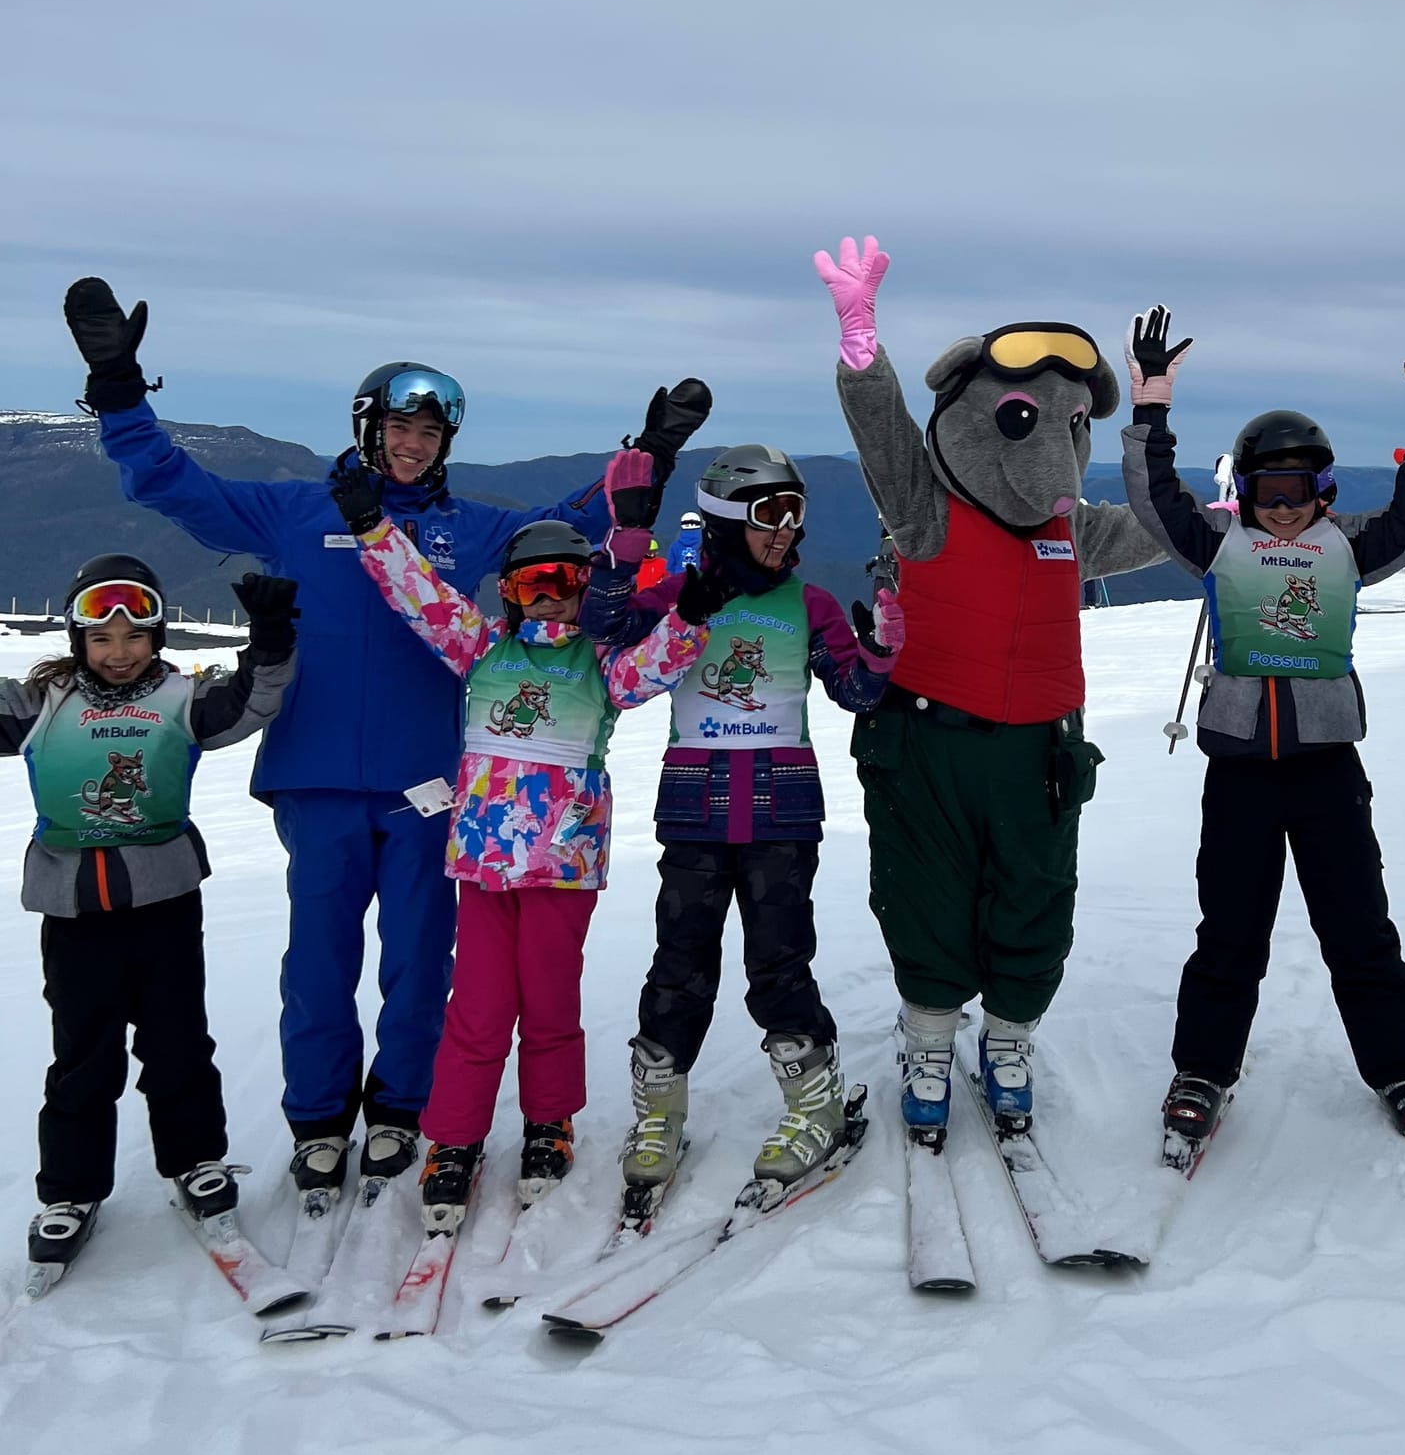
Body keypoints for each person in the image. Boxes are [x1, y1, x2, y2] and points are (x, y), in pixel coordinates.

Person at [61, 275, 709, 1204]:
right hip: (317, 777)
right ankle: (320, 1120)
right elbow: (170, 483)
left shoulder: (467, 529)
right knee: (317, 959)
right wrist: (120, 391)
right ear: (368, 429)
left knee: (419, 956)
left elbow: (569, 526)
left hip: (436, 788)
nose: (413, 446)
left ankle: (403, 1104)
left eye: (430, 433)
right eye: (399, 429)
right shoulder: (294, 511)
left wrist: (651, 452)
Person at [815, 235, 1162, 1139]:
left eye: (1069, 426)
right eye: (1024, 419)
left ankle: (1008, 1035)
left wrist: (1221, 518)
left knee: (1036, 893)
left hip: (1038, 746)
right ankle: (930, 1035)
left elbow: (1159, 532)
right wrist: (862, 341)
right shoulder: (925, 514)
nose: (1055, 454)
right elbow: (884, 437)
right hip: (927, 740)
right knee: (924, 890)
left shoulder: (1071, 529)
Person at [1120, 314, 1405, 1158]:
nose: (1282, 512)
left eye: (1299, 492)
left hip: (1326, 771)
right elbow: (1152, 497)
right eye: (1265, 494)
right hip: (1239, 771)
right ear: (1242, 493)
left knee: (1358, 925)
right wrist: (1151, 404)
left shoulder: (1349, 548)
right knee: (1230, 929)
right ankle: (1203, 1069)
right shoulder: (1217, 543)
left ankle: (1400, 1069)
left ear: (1325, 492)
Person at [333, 486, 715, 1226]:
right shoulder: (481, 648)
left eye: (565, 583)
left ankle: (549, 1120)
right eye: (532, 585)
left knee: (548, 999)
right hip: (482, 862)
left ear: (587, 589)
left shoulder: (601, 664)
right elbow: (422, 596)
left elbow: (657, 666)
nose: (550, 600)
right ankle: (454, 1136)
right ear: (507, 593)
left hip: (561, 864)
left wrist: (693, 615)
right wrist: (371, 528)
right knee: (476, 1006)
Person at [582, 442, 903, 1209]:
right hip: (695, 808)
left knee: (779, 961)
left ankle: (815, 1102)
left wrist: (885, 647)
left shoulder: (811, 604)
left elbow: (855, 693)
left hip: (780, 811)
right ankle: (658, 1112)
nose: (786, 529)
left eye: (795, 512)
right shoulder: (674, 598)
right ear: (728, 516)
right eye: (769, 513)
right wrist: (626, 547)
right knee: (679, 962)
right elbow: (611, 656)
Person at [0, 554, 298, 1285]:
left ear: (158, 636)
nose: (120, 650)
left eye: (135, 635)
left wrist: (269, 633)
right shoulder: (44, 701)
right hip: (74, 910)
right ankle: (70, 1188)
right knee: (83, 1053)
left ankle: (195, 1158)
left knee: (177, 1040)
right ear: (78, 641)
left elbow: (253, 702)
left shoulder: (179, 696)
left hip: (164, 901)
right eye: (102, 638)